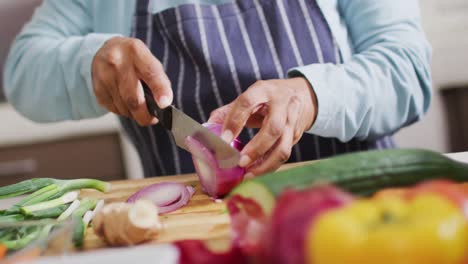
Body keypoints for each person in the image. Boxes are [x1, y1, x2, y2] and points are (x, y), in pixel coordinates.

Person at [4, 0, 432, 178]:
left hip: (354, 222)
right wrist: (88, 60)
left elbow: (406, 71)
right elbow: (21, 73)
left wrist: (312, 96)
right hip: (195, 236)